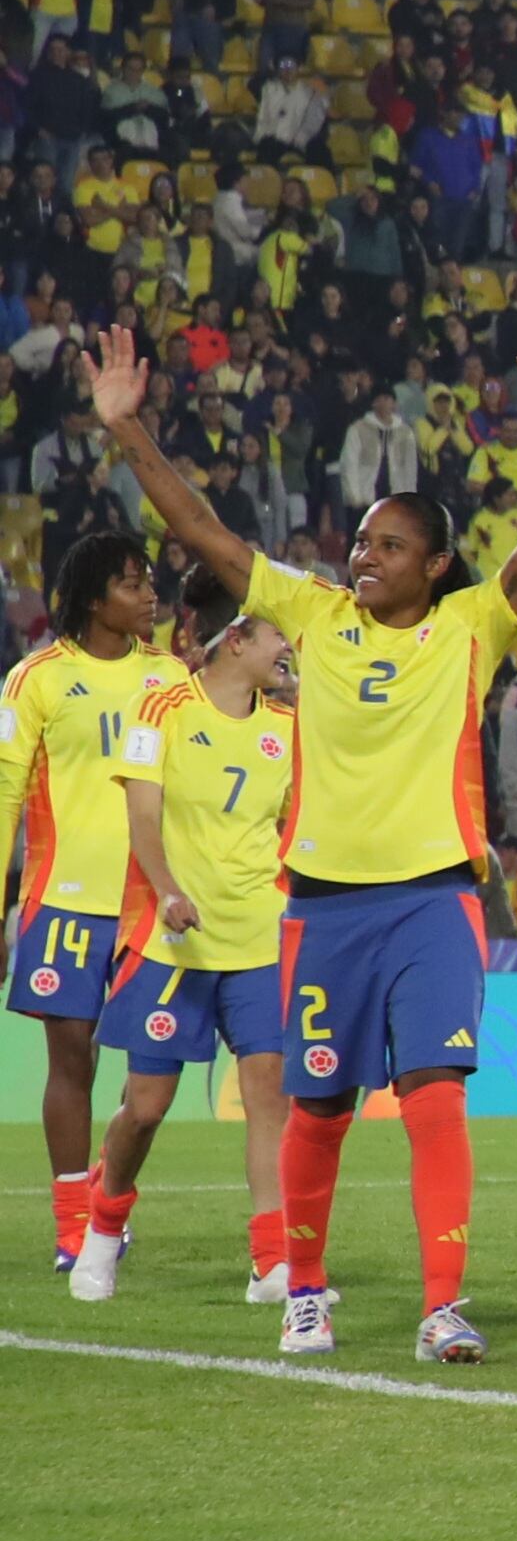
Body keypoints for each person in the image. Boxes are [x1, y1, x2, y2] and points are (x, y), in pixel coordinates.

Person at [84, 324, 517, 1361]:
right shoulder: (314, 616)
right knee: (318, 1101)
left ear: (437, 563)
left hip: (434, 901)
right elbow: (206, 534)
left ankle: (442, 1304)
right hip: (320, 907)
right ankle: (304, 1291)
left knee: (436, 1095)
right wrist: (127, 429)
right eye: (360, 540)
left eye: (389, 544)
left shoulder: (470, 629)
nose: (364, 555)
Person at [75, 568, 292, 1303]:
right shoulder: (161, 706)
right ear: (237, 640)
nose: (287, 652)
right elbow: (142, 816)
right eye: (276, 639)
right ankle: (103, 1229)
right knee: (146, 1107)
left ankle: (272, 1262)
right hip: (175, 941)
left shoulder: (288, 727)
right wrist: (167, 889)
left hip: (258, 938)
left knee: (270, 1096)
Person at [0, 528, 175, 1275]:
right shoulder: (36, 677)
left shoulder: (172, 678)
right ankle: (75, 1225)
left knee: (149, 1085)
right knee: (71, 1064)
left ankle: (108, 1198)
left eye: (150, 581)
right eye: (134, 583)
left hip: (153, 908)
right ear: (96, 596)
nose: (149, 595)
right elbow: (6, 793)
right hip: (66, 899)